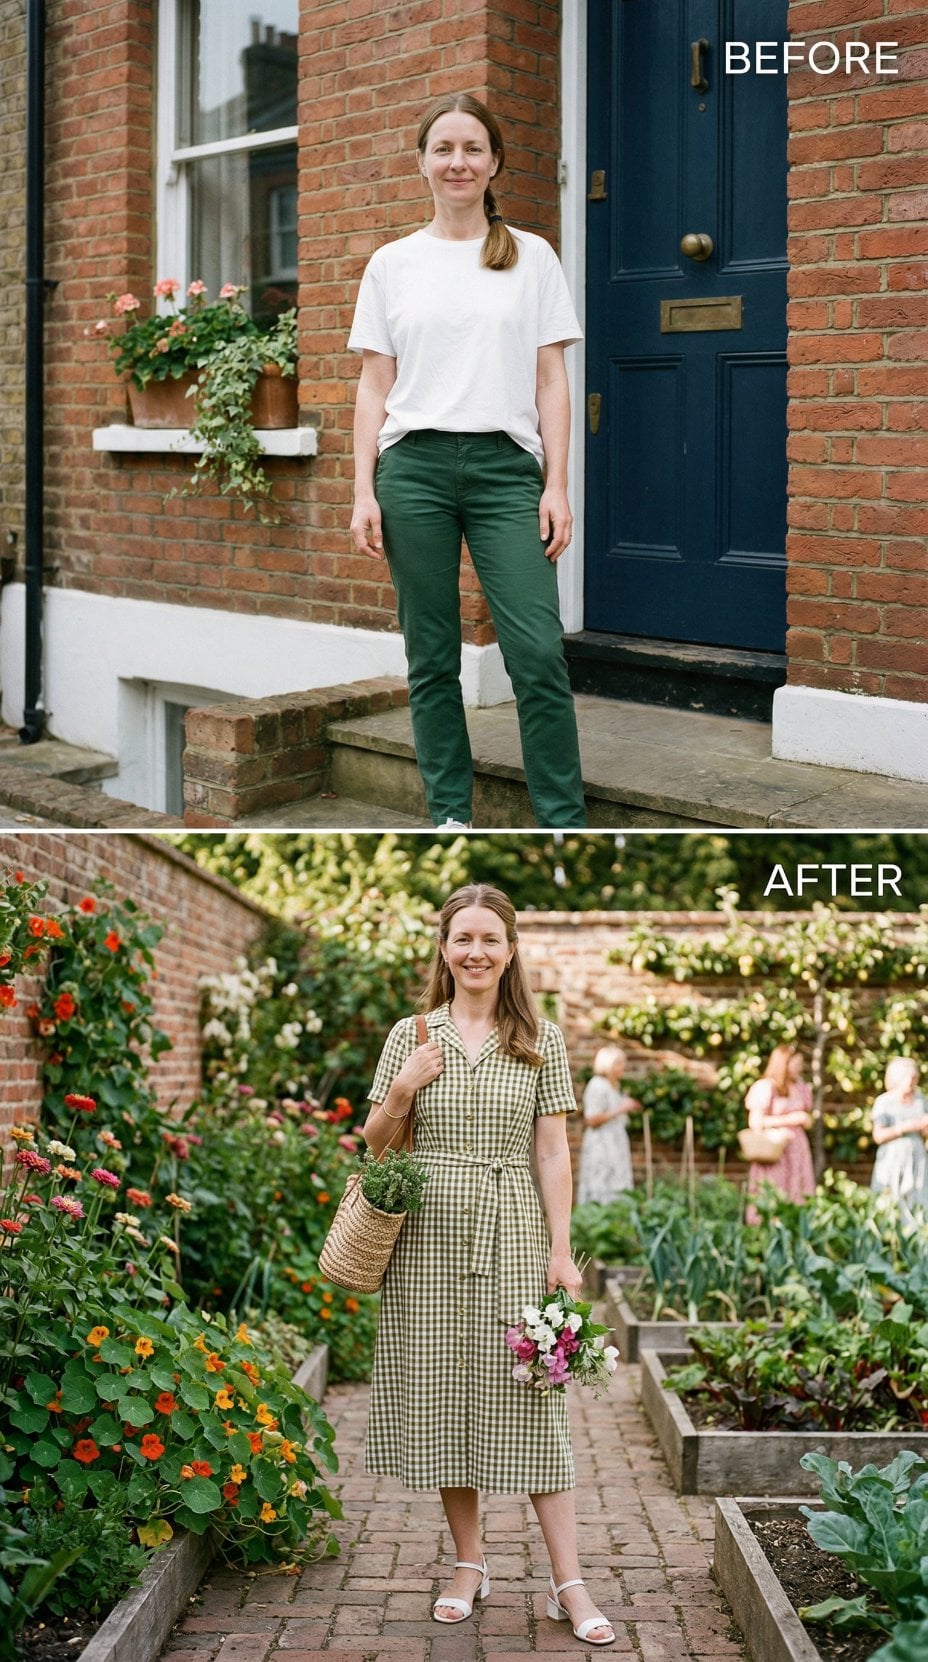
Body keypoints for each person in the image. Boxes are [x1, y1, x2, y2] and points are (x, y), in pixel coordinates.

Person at [362, 883, 614, 1644]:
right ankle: (470, 1565)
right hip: (426, 1241)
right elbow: (376, 1140)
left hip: (510, 1230)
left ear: (510, 952)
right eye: (463, 938)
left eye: (490, 940)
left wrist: (562, 1252)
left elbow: (551, 1151)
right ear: (444, 948)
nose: (476, 952)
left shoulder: (542, 1037)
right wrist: (404, 1089)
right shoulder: (413, 1035)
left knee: (533, 1404)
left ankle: (567, 1581)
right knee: (443, 1396)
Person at [348, 92, 587, 832]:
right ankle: (450, 815)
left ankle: (562, 820)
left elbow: (552, 379)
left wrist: (557, 484)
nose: (458, 161)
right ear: (422, 162)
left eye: (473, 149)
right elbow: (373, 385)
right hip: (412, 469)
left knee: (538, 653)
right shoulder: (392, 264)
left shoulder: (532, 256)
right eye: (444, 148)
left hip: (505, 471)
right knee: (430, 656)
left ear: (494, 164)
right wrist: (363, 490)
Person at [744, 1043, 815, 1222]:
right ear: (784, 1063)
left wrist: (805, 1120)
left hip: (797, 1152)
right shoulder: (766, 1087)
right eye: (796, 1064)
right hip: (774, 1153)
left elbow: (806, 1117)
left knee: (798, 1194)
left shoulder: (801, 1087)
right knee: (773, 1195)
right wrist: (790, 1120)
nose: (799, 1068)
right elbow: (756, 1122)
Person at [576, 1046, 637, 1205]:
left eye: (622, 1063)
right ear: (607, 1065)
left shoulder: (613, 1086)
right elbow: (591, 1119)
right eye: (618, 1063)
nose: (622, 1067)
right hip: (602, 1145)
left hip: (615, 1143)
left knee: (616, 1184)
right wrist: (621, 1108)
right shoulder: (597, 1085)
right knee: (601, 1183)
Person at [870, 1057, 928, 1218]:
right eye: (907, 1077)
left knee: (918, 1203)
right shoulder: (884, 1102)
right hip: (892, 1159)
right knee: (891, 1201)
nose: (911, 1081)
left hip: (918, 1159)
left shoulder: (921, 1100)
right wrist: (905, 1127)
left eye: (914, 1077)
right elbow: (878, 1136)